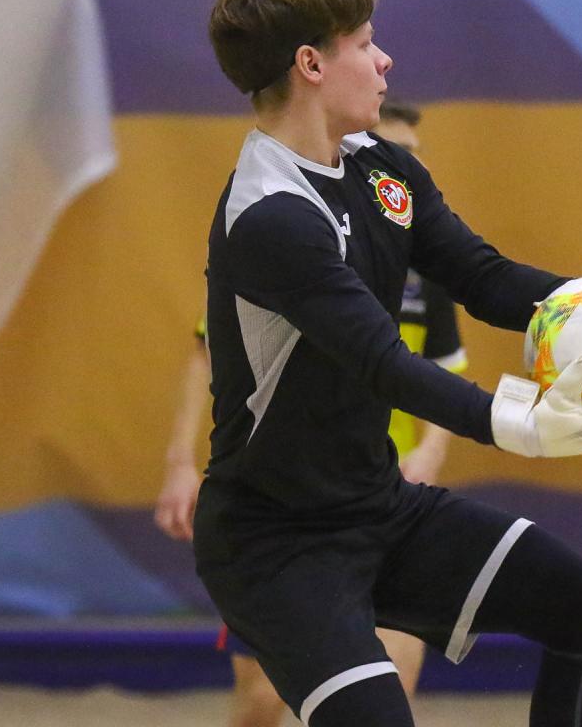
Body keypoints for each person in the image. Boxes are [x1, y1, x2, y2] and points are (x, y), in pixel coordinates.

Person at [191, 0, 582, 727]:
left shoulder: (383, 168)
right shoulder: (269, 216)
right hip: (276, 545)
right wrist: (519, 424)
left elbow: (483, 278)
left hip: (379, 507)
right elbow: (382, 362)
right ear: (312, 64)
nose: (384, 60)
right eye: (365, 43)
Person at [154, 100, 469, 726]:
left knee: (391, 693)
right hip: (282, 503)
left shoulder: (425, 270)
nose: (406, 168)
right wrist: (180, 462)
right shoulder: (286, 236)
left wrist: (431, 452)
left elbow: (443, 372)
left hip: (385, 501)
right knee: (264, 701)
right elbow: (206, 356)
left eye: (414, 154)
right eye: (390, 152)